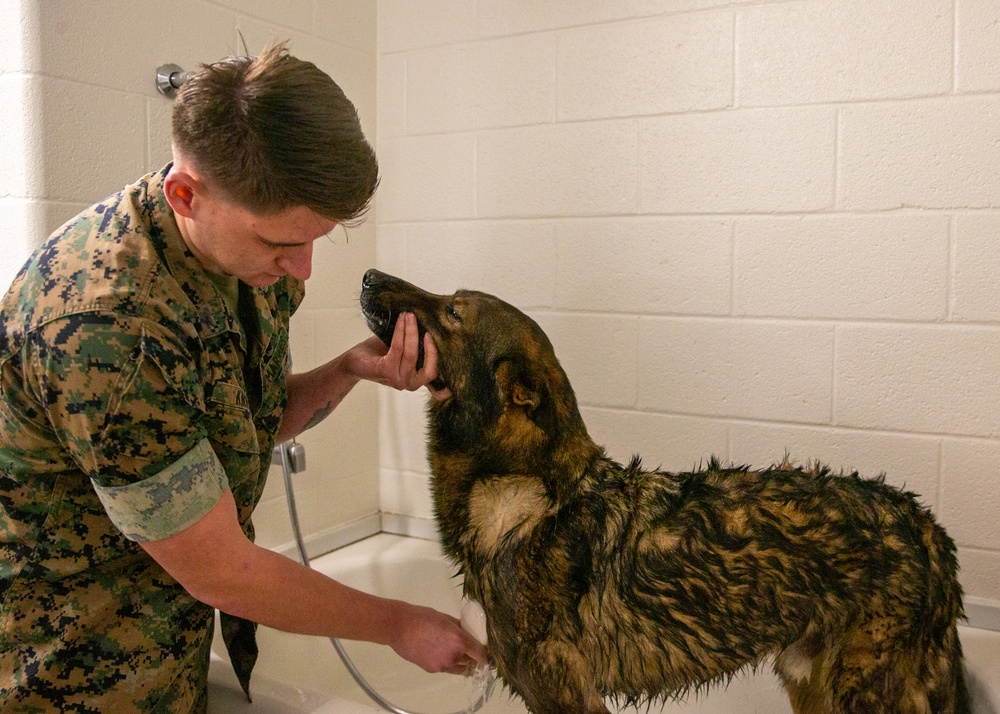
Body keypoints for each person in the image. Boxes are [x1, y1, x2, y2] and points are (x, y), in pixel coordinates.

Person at [0, 42, 486, 712]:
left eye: (318, 238)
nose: (305, 270)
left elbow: (239, 423)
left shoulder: (244, 264)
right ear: (185, 194)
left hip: (169, 648)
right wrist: (399, 624)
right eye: (282, 244)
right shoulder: (106, 328)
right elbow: (225, 573)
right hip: (71, 673)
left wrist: (348, 370)